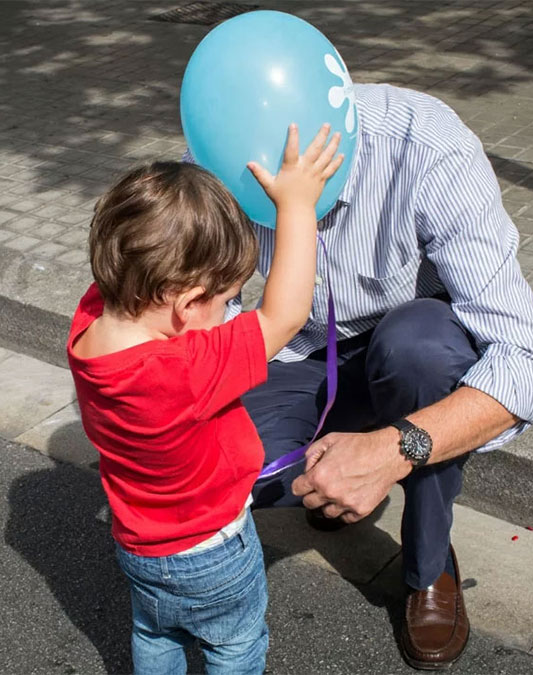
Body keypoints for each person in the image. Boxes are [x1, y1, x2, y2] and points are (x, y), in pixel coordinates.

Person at [202, 83, 533, 670]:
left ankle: (428, 564)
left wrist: (397, 449)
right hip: (290, 354)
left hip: (409, 351)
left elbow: (527, 357)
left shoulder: (423, 143)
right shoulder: (214, 157)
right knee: (216, 469)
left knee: (422, 350)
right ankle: (332, 479)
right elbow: (199, 328)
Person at [68, 125, 342, 673]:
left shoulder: (89, 324)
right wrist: (296, 205)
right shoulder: (184, 370)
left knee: (155, 630)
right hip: (212, 552)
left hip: (138, 545)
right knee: (235, 644)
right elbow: (284, 316)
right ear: (188, 305)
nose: (229, 311)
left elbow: (140, 253)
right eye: (224, 300)